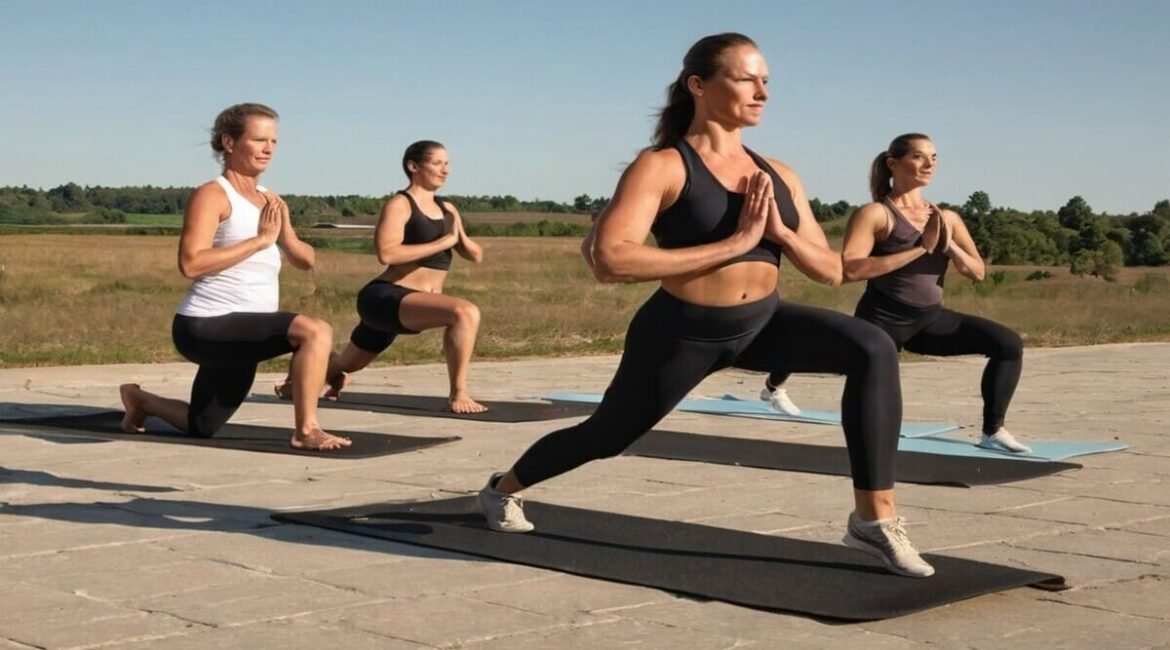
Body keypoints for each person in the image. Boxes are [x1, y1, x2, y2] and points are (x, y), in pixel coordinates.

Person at [476, 34, 935, 578]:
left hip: (763, 321)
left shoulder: (780, 174)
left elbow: (833, 270)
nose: (762, 91)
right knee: (608, 435)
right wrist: (734, 245)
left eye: (766, 81)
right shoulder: (663, 165)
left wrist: (782, 234)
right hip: (682, 332)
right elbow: (609, 260)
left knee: (872, 347)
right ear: (699, 85)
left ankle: (873, 520)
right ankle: (503, 488)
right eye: (746, 79)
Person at [761, 133, 1030, 453]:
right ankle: (772, 387)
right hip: (882, 320)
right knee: (823, 357)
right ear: (893, 164)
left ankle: (992, 432)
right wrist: (919, 250)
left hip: (930, 321)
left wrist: (950, 244)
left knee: (1008, 343)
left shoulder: (948, 218)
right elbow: (851, 271)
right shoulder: (875, 214)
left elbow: (978, 272)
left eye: (934, 157)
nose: (929, 163)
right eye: (918, 156)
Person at [119, 102, 351, 451]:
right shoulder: (212, 195)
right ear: (229, 143)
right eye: (259, 140)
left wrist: (283, 234)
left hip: (244, 333)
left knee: (202, 425)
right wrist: (259, 241)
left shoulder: (270, 200)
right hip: (205, 325)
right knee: (315, 330)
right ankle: (306, 431)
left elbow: (306, 260)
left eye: (273, 141)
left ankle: (141, 401)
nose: (269, 148)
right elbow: (191, 264)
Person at [276, 140, 487, 413]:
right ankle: (459, 393)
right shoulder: (400, 204)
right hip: (386, 297)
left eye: (447, 163)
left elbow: (475, 254)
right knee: (465, 312)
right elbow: (387, 254)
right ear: (414, 166)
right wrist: (444, 241)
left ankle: (296, 381)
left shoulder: (447, 208)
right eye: (437, 163)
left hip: (412, 305)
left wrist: (457, 237)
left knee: (349, 365)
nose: (445, 170)